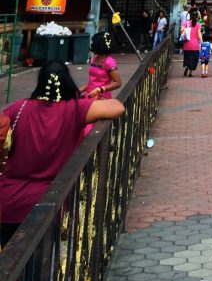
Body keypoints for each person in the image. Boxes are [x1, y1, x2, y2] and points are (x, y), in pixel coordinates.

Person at [0, 63, 124, 246]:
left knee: (8, 264)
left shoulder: (19, 107)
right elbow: (117, 107)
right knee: (39, 264)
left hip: (9, 199)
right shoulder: (75, 109)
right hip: (47, 203)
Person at [80, 32, 122, 99]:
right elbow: (92, 82)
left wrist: (100, 89)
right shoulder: (94, 58)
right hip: (89, 95)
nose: (92, 44)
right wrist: (78, 91)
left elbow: (118, 83)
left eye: (93, 43)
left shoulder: (109, 62)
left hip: (101, 97)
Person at [181, 9, 203, 76]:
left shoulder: (186, 23)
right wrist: (202, 42)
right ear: (196, 17)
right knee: (194, 59)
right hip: (195, 45)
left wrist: (184, 30)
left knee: (188, 58)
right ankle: (190, 72)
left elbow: (181, 30)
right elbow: (199, 34)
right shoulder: (198, 24)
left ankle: (187, 67)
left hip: (187, 45)